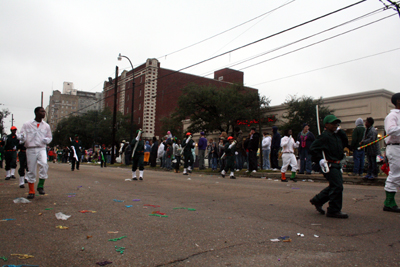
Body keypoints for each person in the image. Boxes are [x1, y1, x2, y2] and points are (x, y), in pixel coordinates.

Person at [309, 114, 349, 219]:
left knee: (335, 185)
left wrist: (341, 132)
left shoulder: (337, 136)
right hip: (329, 164)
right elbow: (313, 149)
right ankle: (333, 210)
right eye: (333, 123)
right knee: (337, 186)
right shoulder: (324, 136)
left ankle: (318, 200)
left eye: (337, 123)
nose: (336, 125)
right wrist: (320, 159)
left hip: (337, 163)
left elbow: (346, 144)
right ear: (326, 125)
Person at [19, 107, 52, 199]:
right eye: (42, 111)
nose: (44, 113)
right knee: (31, 169)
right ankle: (31, 190)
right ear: (36, 112)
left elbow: (49, 137)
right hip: (30, 149)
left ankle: (40, 186)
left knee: (44, 164)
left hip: (41, 148)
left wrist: (47, 140)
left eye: (44, 111)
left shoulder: (46, 126)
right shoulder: (27, 124)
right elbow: (21, 135)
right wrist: (21, 138)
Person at [383, 93, 400, 212]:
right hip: (395, 148)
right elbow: (391, 130)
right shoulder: (392, 116)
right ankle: (388, 202)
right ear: (398, 101)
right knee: (395, 174)